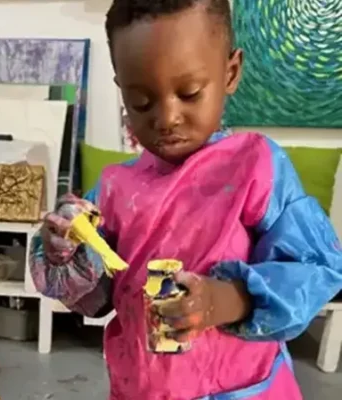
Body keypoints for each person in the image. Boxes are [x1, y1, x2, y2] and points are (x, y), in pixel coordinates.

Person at [29, 0, 342, 398]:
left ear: (230, 72)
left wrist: (225, 300)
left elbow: (314, 269)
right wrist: (64, 252)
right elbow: (95, 300)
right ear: (122, 89)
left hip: (244, 389)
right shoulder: (114, 188)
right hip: (142, 387)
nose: (167, 118)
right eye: (141, 101)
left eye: (189, 93)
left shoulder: (255, 167)